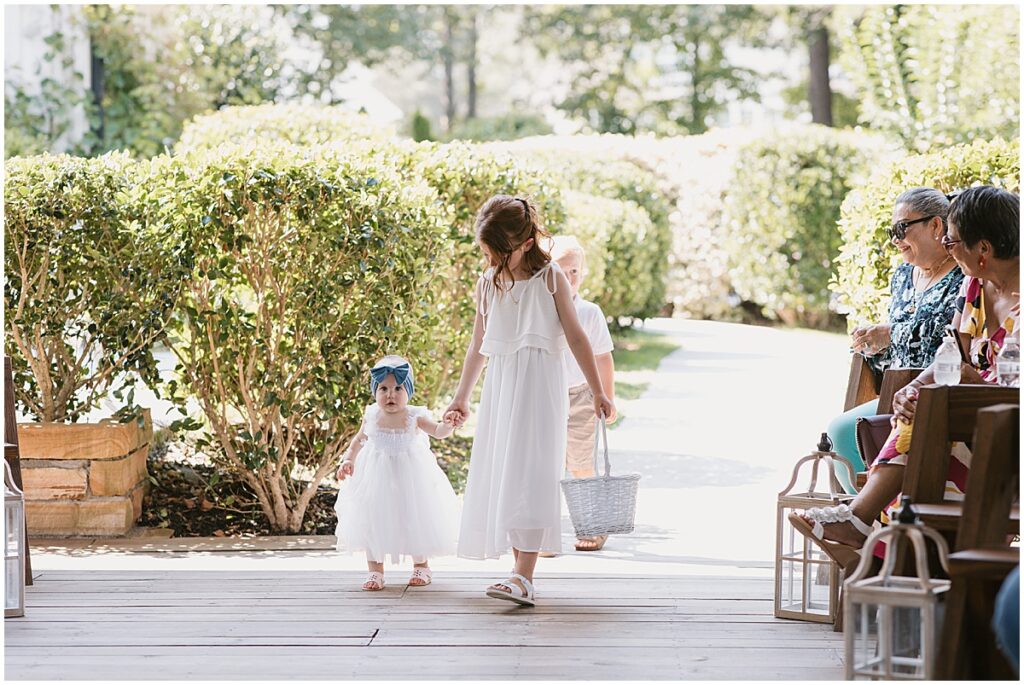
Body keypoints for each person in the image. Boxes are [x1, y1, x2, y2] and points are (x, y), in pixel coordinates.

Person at [793, 186, 1019, 566]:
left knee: (930, 424)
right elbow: (952, 353)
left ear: (983, 249)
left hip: (1008, 428)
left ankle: (871, 540)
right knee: (922, 413)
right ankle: (886, 553)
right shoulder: (974, 286)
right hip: (966, 421)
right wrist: (915, 387)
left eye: (953, 240)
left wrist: (967, 384)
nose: (949, 248)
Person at [443, 195, 615, 606]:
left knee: (532, 471)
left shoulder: (551, 278)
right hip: (503, 386)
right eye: (485, 253)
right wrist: (461, 396)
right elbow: (478, 344)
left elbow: (577, 337)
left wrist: (597, 390)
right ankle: (517, 572)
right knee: (505, 469)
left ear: (522, 245)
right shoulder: (489, 281)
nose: (489, 261)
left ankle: (524, 575)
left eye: (494, 253)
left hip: (540, 386)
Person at [828, 188, 963, 491]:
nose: (895, 239)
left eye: (902, 228)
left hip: (935, 392)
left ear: (936, 226)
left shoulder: (963, 275)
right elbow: (899, 342)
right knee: (847, 434)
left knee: (843, 431)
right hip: (895, 390)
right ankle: (871, 522)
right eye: (892, 231)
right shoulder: (902, 275)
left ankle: (865, 520)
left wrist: (890, 333)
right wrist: (873, 345)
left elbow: (948, 338)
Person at [334, 355, 460, 591]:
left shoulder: (414, 416)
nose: (390, 394)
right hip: (375, 479)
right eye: (383, 388)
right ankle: (375, 572)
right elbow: (357, 441)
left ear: (408, 390)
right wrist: (348, 460)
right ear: (375, 391)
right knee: (373, 520)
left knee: (413, 517)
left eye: (397, 388)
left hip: (410, 479)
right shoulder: (372, 415)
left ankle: (421, 565)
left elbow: (437, 431)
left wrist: (449, 424)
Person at [550, 235, 616, 552]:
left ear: (582, 274)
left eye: (574, 271)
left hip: (580, 396)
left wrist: (606, 395)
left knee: (579, 463)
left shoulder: (589, 313)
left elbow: (603, 356)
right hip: (546, 396)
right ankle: (543, 533)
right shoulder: (543, 311)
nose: (568, 278)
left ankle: (592, 525)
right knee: (546, 464)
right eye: (561, 272)